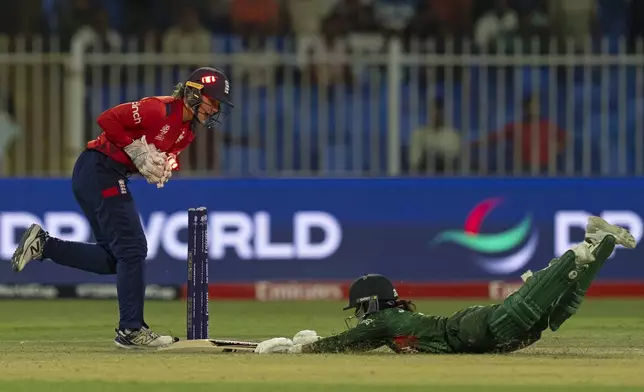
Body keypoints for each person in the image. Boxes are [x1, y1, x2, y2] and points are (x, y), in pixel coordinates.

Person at [10, 67, 233, 349]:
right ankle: (131, 330)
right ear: (192, 94)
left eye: (218, 105)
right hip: (98, 168)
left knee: (115, 259)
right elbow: (107, 118)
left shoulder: (187, 133)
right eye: (212, 101)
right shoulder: (159, 109)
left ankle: (44, 245)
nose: (214, 110)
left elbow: (163, 154)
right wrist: (135, 149)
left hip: (105, 175)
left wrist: (163, 165)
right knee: (133, 249)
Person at [254, 216, 637, 354]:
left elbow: (345, 344)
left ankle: (578, 253)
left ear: (371, 303)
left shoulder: (385, 323)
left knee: (527, 308)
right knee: (560, 309)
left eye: (360, 309)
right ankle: (602, 243)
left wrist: (300, 349)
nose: (360, 317)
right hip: (484, 337)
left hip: (476, 331)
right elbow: (357, 345)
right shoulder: (391, 328)